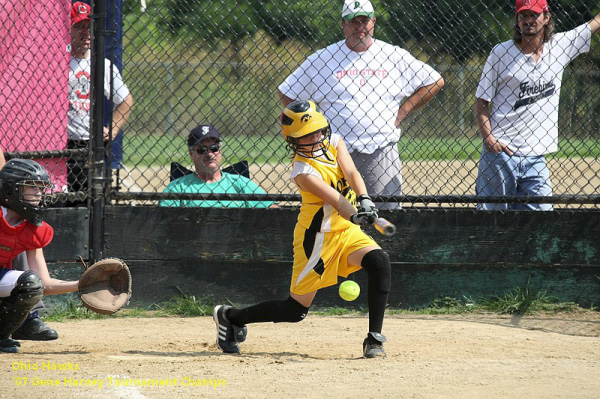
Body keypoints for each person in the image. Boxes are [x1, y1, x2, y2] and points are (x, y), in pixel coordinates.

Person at [213, 100, 391, 358]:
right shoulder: (302, 171)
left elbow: (351, 171)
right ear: (293, 140)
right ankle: (231, 317)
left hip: (345, 231)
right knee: (295, 311)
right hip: (317, 239)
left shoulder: (334, 142)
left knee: (379, 261)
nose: (316, 137)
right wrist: (356, 215)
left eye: (318, 130)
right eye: (306, 136)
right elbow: (336, 201)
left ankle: (374, 339)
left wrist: (364, 198)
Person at [278, 0, 444, 210]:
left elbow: (435, 80)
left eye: (364, 20)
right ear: (343, 24)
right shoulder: (323, 58)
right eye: (352, 21)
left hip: (380, 147)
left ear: (373, 22)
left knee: (386, 211)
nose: (359, 27)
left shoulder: (393, 55)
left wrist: (404, 110)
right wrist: (310, 125)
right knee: (335, 213)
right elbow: (287, 91)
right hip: (333, 150)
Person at [474, 0, 600, 211]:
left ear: (546, 17)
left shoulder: (560, 46)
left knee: (542, 219)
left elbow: (593, 24)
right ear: (517, 19)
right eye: (523, 15)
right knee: (491, 223)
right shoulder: (501, 53)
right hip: (500, 154)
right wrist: (488, 139)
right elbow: (481, 101)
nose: (529, 20)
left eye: (534, 15)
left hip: (536, 156)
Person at [0, 159, 80, 353]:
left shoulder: (33, 229)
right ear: (11, 190)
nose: (39, 194)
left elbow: (43, 284)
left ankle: (1, 337)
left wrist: (81, 285)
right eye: (32, 187)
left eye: (41, 188)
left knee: (30, 284)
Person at [68, 2, 133, 201]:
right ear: (69, 29)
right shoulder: (57, 59)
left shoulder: (101, 65)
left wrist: (112, 130)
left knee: (93, 200)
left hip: (91, 144)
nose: (85, 32)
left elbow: (126, 101)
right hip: (61, 143)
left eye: (89, 26)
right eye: (79, 26)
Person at [159, 124, 274, 208]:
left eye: (214, 148)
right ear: (191, 154)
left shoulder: (239, 183)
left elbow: (272, 208)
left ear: (220, 150)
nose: (209, 154)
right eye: (202, 150)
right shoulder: (177, 188)